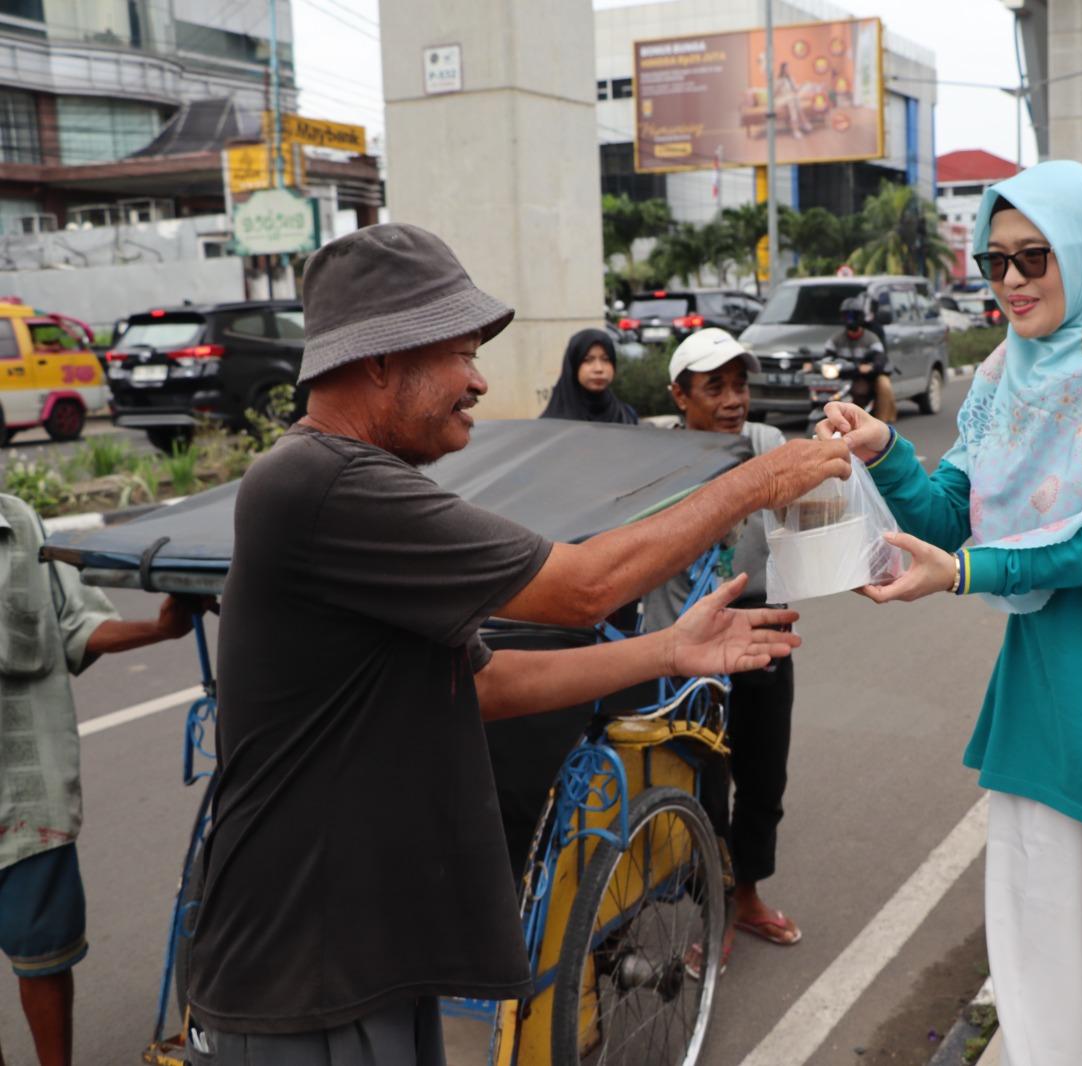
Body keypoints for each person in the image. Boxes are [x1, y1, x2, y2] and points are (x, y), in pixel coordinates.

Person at [183, 223, 849, 1066]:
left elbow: (486, 685)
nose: (478, 379)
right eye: (459, 354)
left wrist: (670, 651)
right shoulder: (322, 484)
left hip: (372, 957)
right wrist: (756, 477)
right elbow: (584, 589)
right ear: (380, 360)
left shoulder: (358, 486)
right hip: (298, 973)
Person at [819, 161, 1082, 1065]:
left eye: (1034, 257)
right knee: (1038, 993)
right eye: (994, 261)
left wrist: (966, 571)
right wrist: (885, 449)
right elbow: (948, 516)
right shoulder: (1010, 374)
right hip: (1046, 711)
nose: (1011, 281)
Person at [0, 493, 205, 1066]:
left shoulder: (17, 523)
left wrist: (161, 630)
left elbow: (75, 625)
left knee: (43, 957)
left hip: (27, 797)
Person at [642, 328, 801, 977]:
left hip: (761, 632)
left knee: (763, 780)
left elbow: (811, 519)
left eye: (740, 384)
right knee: (703, 784)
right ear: (679, 395)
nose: (734, 399)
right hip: (687, 642)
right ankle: (712, 908)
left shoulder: (767, 446)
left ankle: (748, 897)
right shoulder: (653, 458)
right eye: (716, 387)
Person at [539, 327, 637, 424]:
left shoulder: (626, 416)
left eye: (605, 359)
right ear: (574, 366)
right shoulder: (551, 426)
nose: (599, 369)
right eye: (588, 360)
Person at [824, 295, 897, 423]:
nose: (850, 320)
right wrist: (811, 364)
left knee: (884, 383)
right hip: (843, 376)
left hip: (866, 377)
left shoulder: (871, 338)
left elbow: (880, 359)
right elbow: (826, 358)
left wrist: (871, 367)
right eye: (847, 316)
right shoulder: (835, 339)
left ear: (860, 316)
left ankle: (882, 424)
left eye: (853, 315)